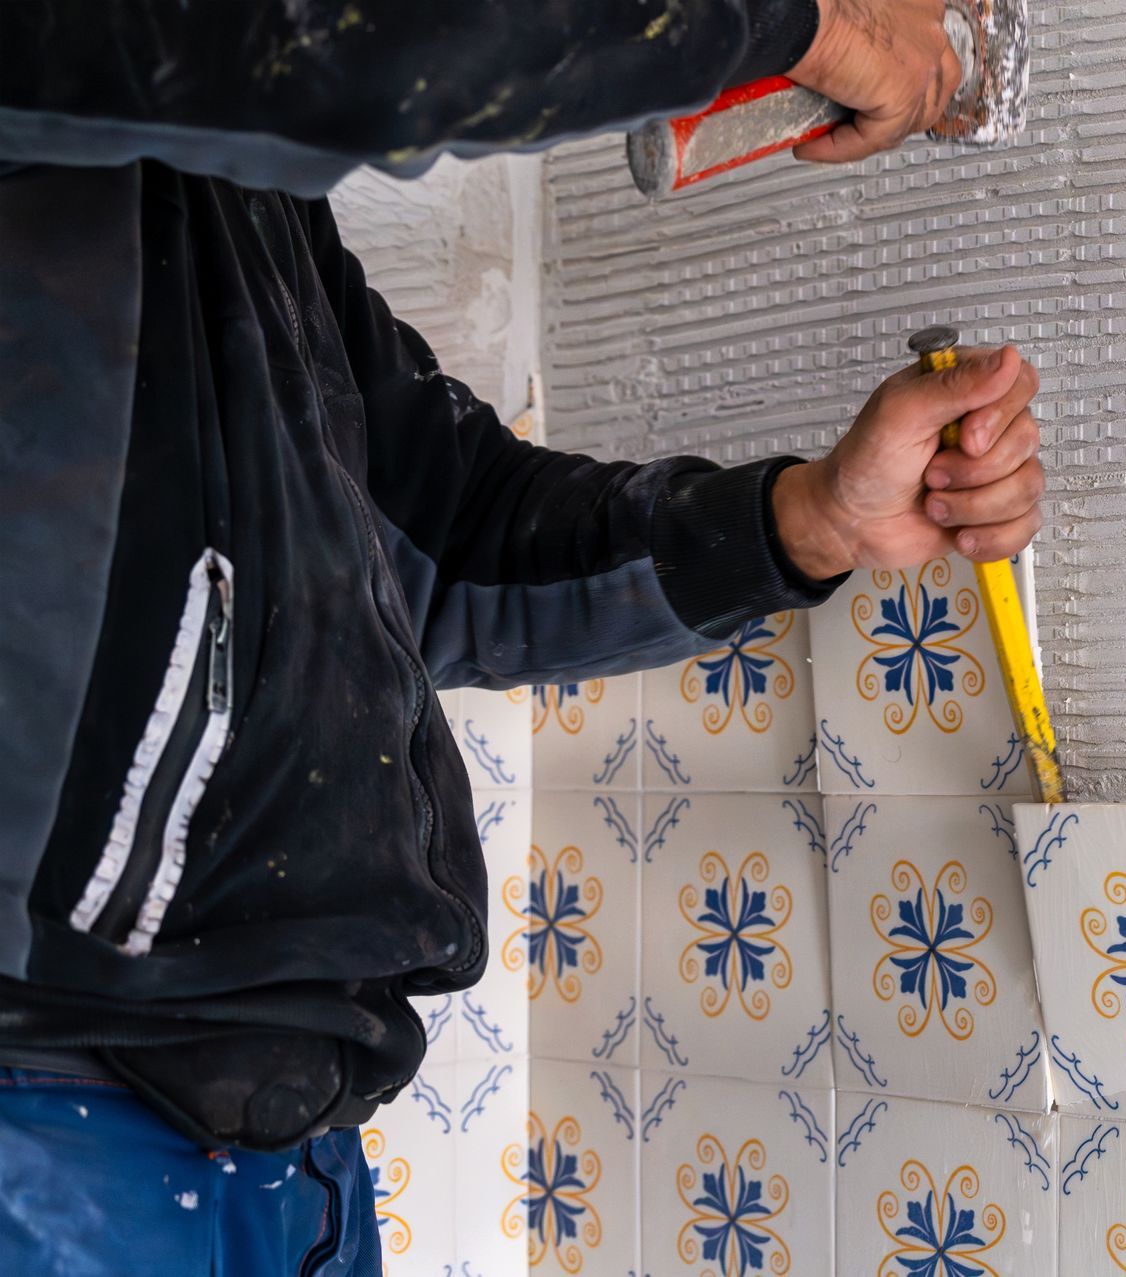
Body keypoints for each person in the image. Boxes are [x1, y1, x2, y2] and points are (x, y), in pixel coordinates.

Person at [0, 1, 1045, 1269]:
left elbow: (449, 540)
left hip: (279, 1126)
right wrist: (811, 23)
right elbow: (368, 43)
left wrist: (806, 521)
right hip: (44, 1106)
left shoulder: (226, 185)